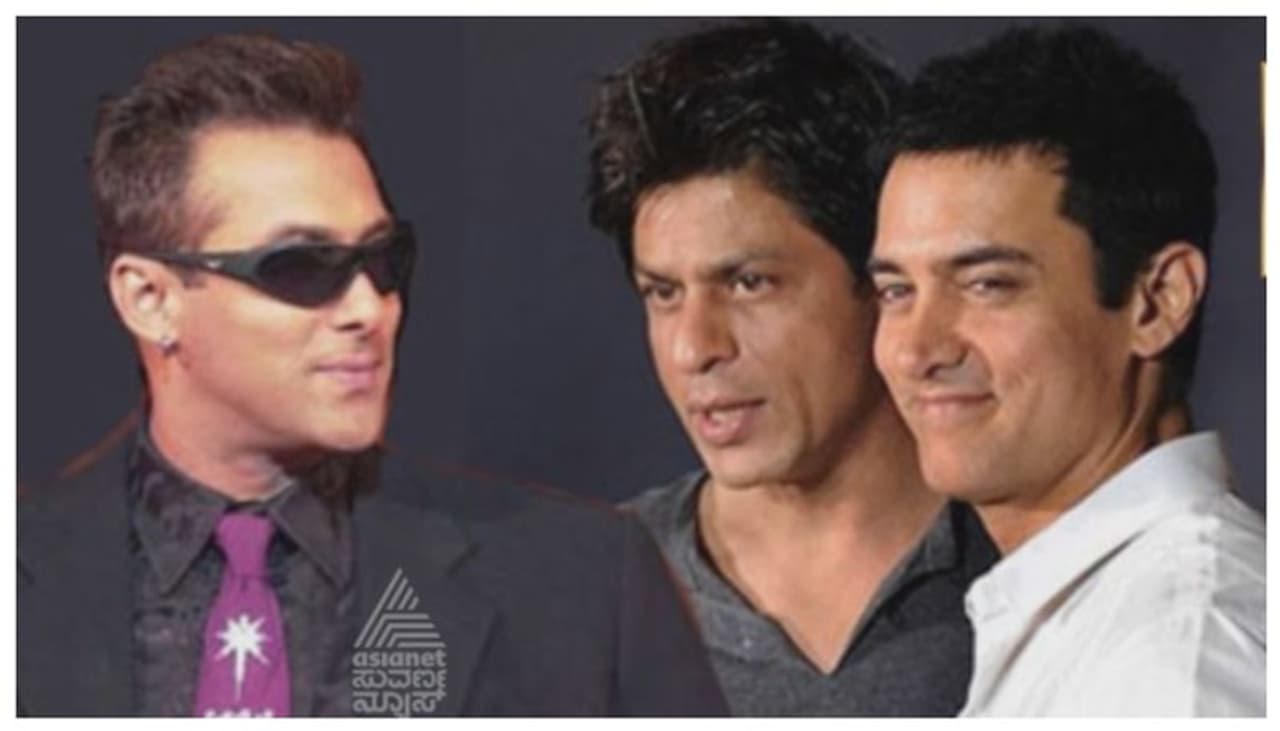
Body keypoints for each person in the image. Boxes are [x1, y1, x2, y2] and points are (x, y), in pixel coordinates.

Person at [16, 32, 726, 717]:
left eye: (382, 262)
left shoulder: (582, 585)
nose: (370, 308)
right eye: (299, 266)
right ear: (149, 298)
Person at [585, 19, 997, 716]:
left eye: (749, 283)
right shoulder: (585, 601)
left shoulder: (1047, 575)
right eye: (663, 293)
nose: (693, 349)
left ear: (879, 280)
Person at [868, 24, 1265, 716]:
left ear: (1158, 301)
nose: (914, 351)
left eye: (987, 284)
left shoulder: (1182, 658)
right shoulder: (1102, 619)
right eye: (896, 291)